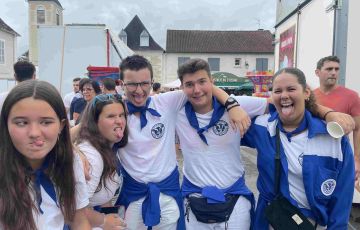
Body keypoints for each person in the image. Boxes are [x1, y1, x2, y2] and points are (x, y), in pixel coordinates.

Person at [115, 55, 250, 230]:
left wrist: (232, 104)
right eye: (132, 84)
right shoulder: (114, 112)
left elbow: (202, 87)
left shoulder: (166, 102)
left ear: (152, 82)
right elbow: (88, 132)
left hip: (168, 194)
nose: (139, 90)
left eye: (145, 83)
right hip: (133, 194)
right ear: (121, 84)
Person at [242, 67, 355, 229]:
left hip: (311, 224)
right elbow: (214, 108)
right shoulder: (262, 126)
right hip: (270, 222)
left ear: (306, 92)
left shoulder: (332, 138)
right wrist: (231, 106)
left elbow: (342, 196)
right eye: (277, 91)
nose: (284, 95)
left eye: (291, 89)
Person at [175, 58, 268, 230]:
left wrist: (327, 114)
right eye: (189, 84)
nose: (196, 90)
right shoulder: (176, 111)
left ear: (212, 82)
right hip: (194, 198)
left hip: (234, 199)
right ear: (182, 87)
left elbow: (280, 105)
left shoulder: (238, 104)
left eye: (202, 81)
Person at [0, 80, 90, 230]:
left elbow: (79, 221)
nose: (34, 133)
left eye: (46, 122)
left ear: (61, 126)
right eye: (21, 123)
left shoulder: (70, 161)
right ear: (6, 125)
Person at [74, 93, 128, 229]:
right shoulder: (91, 156)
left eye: (121, 115)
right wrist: (104, 221)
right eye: (111, 116)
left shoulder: (109, 147)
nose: (119, 121)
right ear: (95, 122)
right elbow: (73, 210)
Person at [313, 56, 360, 180]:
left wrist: (356, 160)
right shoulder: (310, 97)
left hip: (341, 154)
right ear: (317, 72)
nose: (334, 73)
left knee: (341, 194)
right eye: (329, 69)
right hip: (314, 154)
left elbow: (358, 129)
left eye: (336, 69)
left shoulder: (351, 96)